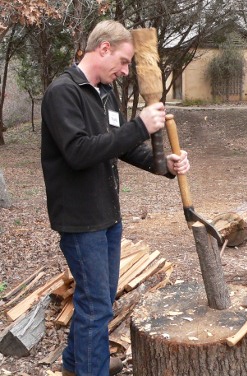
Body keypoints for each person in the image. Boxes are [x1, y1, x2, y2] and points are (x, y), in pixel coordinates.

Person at [40, 20, 190, 376]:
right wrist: (140, 125)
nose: (125, 71)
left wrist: (164, 166)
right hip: (81, 219)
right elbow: (78, 152)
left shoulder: (103, 92)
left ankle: (76, 365)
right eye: (123, 62)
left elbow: (120, 145)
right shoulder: (63, 92)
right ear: (103, 48)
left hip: (107, 215)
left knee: (100, 300)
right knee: (95, 307)